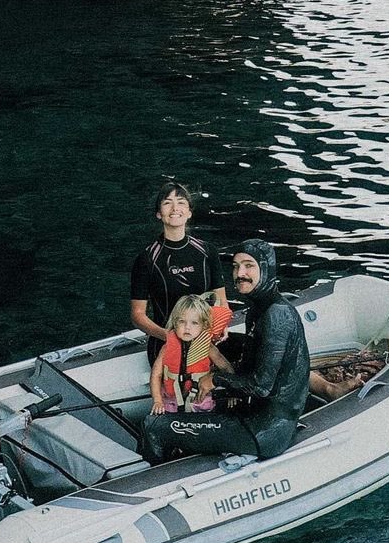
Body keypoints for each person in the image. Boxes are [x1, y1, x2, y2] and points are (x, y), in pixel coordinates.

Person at [140, 239, 310, 464]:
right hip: (250, 411)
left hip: (263, 430)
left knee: (152, 426)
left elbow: (261, 386)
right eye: (235, 266)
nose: (240, 273)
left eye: (249, 266)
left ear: (266, 269)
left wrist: (215, 379)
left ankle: (157, 482)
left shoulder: (276, 316)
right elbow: (249, 368)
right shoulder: (259, 309)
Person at [130, 184, 227, 363]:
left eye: (181, 202)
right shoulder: (147, 259)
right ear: (159, 213)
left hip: (204, 342)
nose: (175, 208)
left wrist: (219, 327)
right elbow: (137, 315)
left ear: (189, 212)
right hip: (166, 344)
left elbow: (221, 301)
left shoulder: (207, 251)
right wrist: (169, 336)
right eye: (168, 203)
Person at [150, 294, 234, 414]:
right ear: (175, 323)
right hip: (171, 401)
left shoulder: (208, 348)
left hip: (201, 401)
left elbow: (226, 367)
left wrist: (232, 390)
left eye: (194, 323)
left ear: (204, 325)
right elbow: (156, 375)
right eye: (182, 322)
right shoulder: (166, 348)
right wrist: (157, 400)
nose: (187, 327)